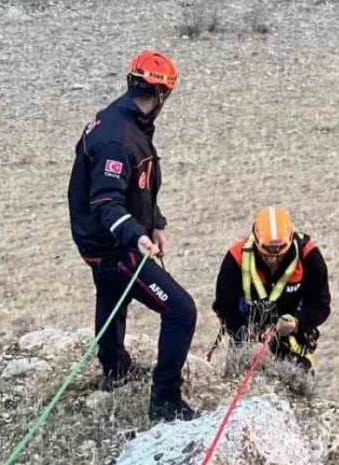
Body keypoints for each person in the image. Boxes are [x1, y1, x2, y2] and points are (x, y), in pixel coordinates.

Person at [67, 50, 198, 422]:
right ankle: (165, 401)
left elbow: (135, 188)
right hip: (114, 245)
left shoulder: (124, 120)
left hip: (101, 243)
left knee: (111, 296)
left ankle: (115, 368)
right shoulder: (118, 139)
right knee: (180, 310)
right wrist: (133, 236)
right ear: (162, 94)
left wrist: (155, 220)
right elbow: (107, 200)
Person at [212, 207, 330, 370]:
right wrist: (247, 334)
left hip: (294, 339)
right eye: (265, 255)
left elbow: (320, 306)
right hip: (248, 340)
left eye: (280, 256)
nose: (273, 260)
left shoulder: (309, 257)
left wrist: (296, 322)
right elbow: (224, 307)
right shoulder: (236, 259)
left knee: (297, 383)